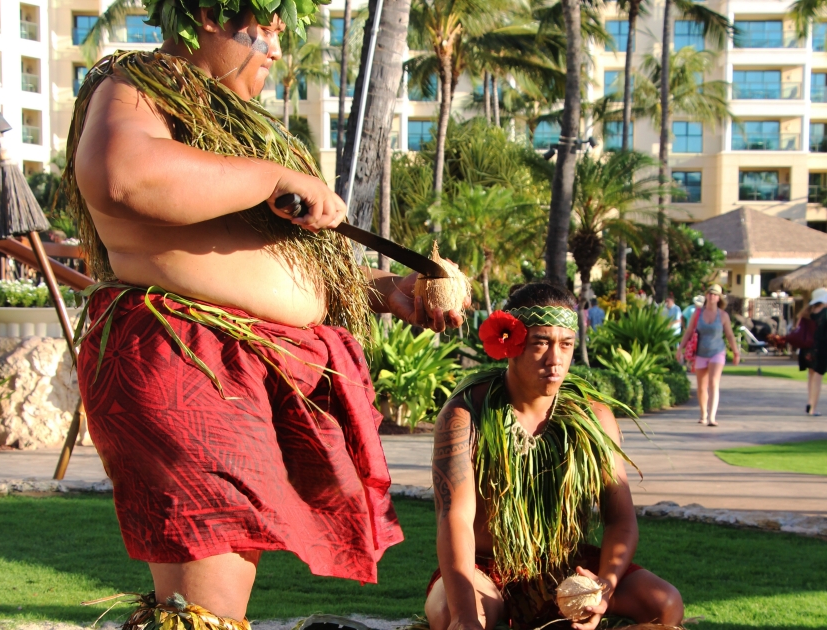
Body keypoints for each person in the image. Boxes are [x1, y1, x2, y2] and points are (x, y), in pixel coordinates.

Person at [62, 2, 466, 626]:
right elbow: (122, 174)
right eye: (265, 28)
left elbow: (249, 264)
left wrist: (384, 289)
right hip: (185, 353)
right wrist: (271, 175)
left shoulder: (217, 131)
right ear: (204, 14)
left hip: (224, 360)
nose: (277, 48)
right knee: (207, 597)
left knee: (204, 599)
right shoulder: (138, 82)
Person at [425, 282, 683, 630]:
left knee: (664, 605)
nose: (555, 359)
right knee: (449, 614)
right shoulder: (466, 414)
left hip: (566, 565)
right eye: (541, 343)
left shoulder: (593, 416)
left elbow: (620, 519)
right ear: (511, 343)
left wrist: (604, 586)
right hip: (484, 567)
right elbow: (454, 518)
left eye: (566, 345)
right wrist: (464, 616)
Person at [677, 284, 740, 426]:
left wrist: (736, 352)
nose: (712, 297)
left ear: (719, 298)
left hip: (717, 352)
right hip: (700, 353)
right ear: (706, 296)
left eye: (715, 294)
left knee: (713, 383)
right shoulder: (698, 313)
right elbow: (688, 331)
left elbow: (729, 335)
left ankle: (712, 417)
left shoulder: (723, 315)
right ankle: (703, 414)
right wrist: (680, 348)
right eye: (710, 294)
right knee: (701, 386)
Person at [802, 289, 827, 416]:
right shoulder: (825, 313)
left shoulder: (807, 313)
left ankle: (809, 403)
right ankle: (813, 408)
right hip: (821, 349)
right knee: (817, 378)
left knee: (811, 377)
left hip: (807, 348)